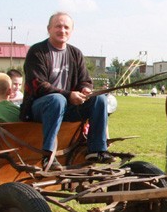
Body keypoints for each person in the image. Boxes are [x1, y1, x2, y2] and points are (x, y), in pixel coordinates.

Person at [21, 12, 111, 167]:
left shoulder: (75, 53)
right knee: (58, 99)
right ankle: (48, 155)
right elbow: (38, 85)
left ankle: (96, 150)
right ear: (49, 29)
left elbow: (85, 81)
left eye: (66, 27)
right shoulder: (37, 52)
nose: (62, 30)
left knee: (100, 99)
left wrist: (85, 90)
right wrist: (69, 95)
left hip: (68, 106)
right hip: (40, 108)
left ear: (71, 31)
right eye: (58, 26)